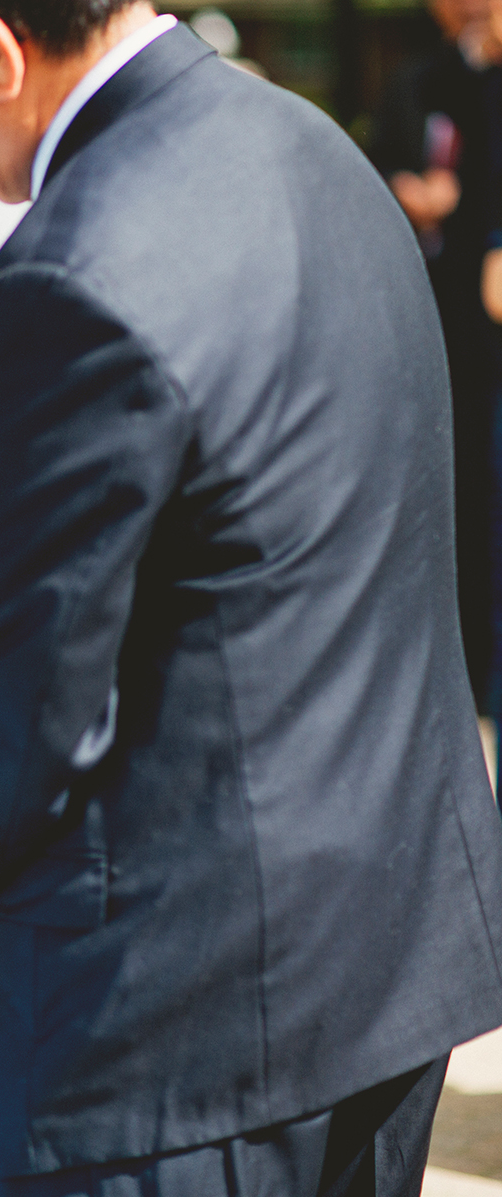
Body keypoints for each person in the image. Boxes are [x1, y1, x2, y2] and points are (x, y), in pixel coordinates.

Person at [0, 0, 502, 1191]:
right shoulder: (312, 145)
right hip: (392, 935)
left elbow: (8, 729)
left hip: (166, 1022)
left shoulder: (63, 280)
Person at [370, 0, 502, 746]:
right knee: (452, 504)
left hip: (489, 337)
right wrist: (406, 192)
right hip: (436, 325)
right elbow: (383, 162)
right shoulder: (417, 81)